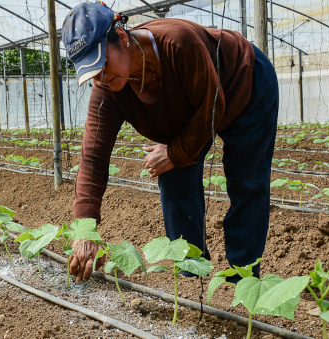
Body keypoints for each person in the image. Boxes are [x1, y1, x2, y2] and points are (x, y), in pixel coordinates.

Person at [62, 2, 278, 283]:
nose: (101, 77)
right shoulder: (107, 90)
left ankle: (243, 279)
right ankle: (192, 275)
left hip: (244, 83)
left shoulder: (179, 43)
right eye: (92, 73)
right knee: (174, 176)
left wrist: (174, 152)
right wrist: (84, 231)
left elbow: (211, 110)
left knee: (246, 181)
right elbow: (92, 158)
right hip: (193, 108)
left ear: (123, 39)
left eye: (102, 63)